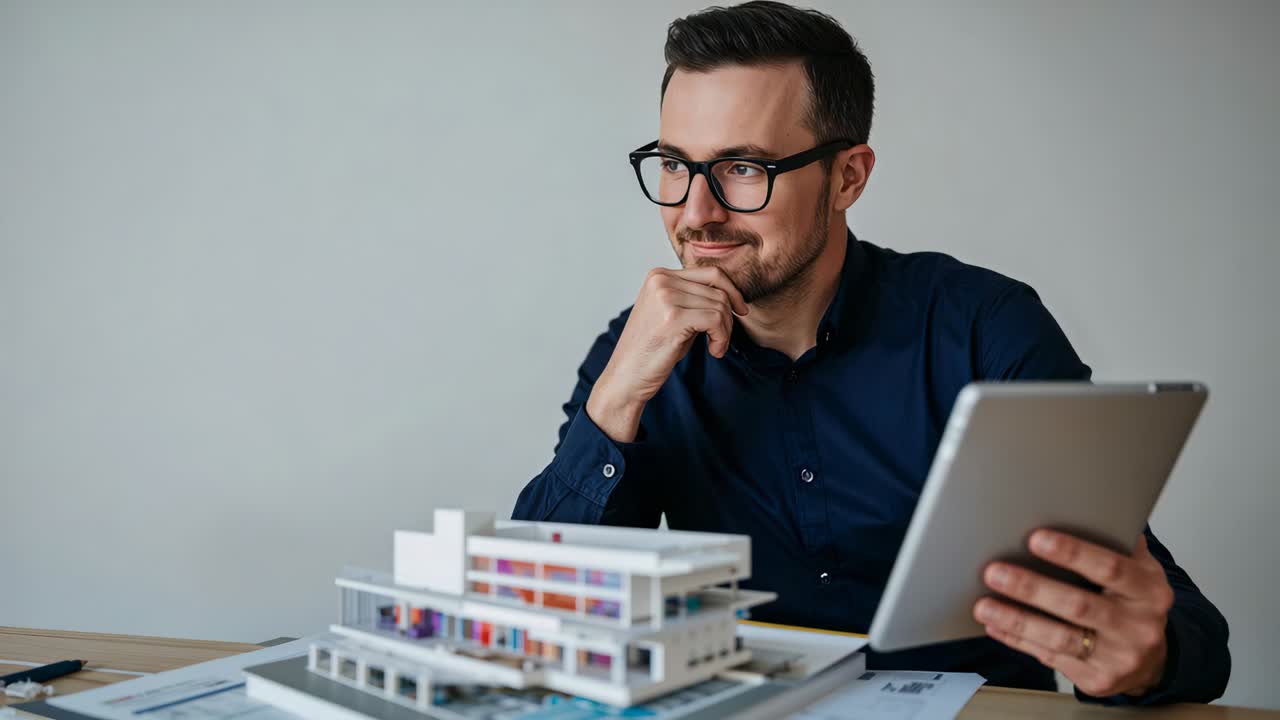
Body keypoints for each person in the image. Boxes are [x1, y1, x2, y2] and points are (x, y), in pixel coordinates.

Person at [512, 0, 1229, 705]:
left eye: (742, 169)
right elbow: (539, 621)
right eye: (675, 165)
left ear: (849, 177)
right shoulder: (638, 354)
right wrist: (612, 405)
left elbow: (1173, 626)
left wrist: (1148, 656)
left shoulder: (983, 328)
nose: (696, 212)